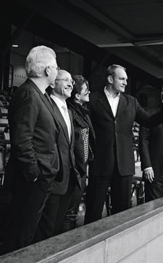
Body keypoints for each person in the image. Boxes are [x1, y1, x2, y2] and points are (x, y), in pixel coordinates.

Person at [84, 64, 163, 224]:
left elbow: (148, 121)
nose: (125, 82)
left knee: (121, 215)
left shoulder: (131, 101)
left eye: (126, 79)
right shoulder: (93, 100)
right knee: (93, 213)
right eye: (121, 79)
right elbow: (85, 131)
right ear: (110, 79)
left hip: (124, 166)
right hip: (100, 165)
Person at [3, 45, 60, 252]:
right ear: (47, 70)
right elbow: (22, 140)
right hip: (31, 180)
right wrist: (34, 173)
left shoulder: (40, 94)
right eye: (55, 67)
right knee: (21, 236)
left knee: (31, 234)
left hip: (41, 177)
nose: (57, 70)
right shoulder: (28, 94)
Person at [34, 70, 81, 240]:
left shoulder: (69, 111)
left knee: (57, 231)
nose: (70, 84)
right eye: (66, 80)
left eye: (72, 82)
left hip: (68, 180)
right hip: (52, 180)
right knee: (46, 232)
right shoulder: (47, 107)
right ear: (53, 83)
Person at [64, 75, 95, 230]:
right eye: (85, 90)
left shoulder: (83, 113)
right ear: (77, 95)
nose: (89, 92)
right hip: (74, 171)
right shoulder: (70, 112)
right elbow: (75, 144)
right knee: (69, 213)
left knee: (73, 211)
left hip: (81, 169)